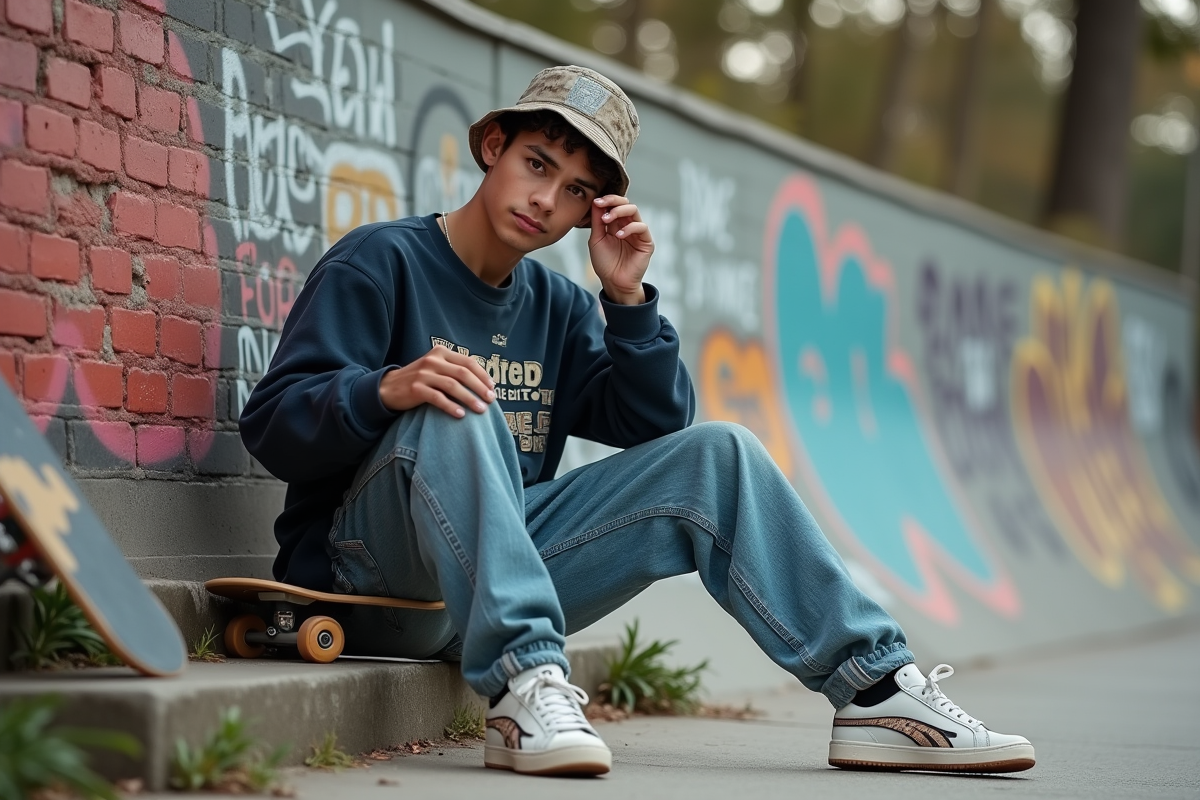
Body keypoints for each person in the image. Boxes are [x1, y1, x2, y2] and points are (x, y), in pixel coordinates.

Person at [240, 65, 1035, 778]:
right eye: (537, 165)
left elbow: (656, 426)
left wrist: (625, 302)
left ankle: (875, 693)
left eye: (576, 191)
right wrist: (387, 389)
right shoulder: (381, 261)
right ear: (493, 146)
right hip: (372, 579)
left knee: (719, 453)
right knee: (457, 396)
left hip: (494, 575)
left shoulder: (557, 307)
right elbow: (272, 424)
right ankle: (526, 683)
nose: (546, 199)